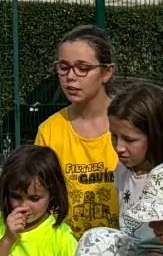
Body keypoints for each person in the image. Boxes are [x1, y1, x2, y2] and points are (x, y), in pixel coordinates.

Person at [36, 28, 122, 232]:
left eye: (82, 68)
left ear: (107, 72)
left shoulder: (130, 124)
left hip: (126, 251)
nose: (71, 77)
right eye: (63, 67)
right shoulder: (49, 131)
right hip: (67, 253)